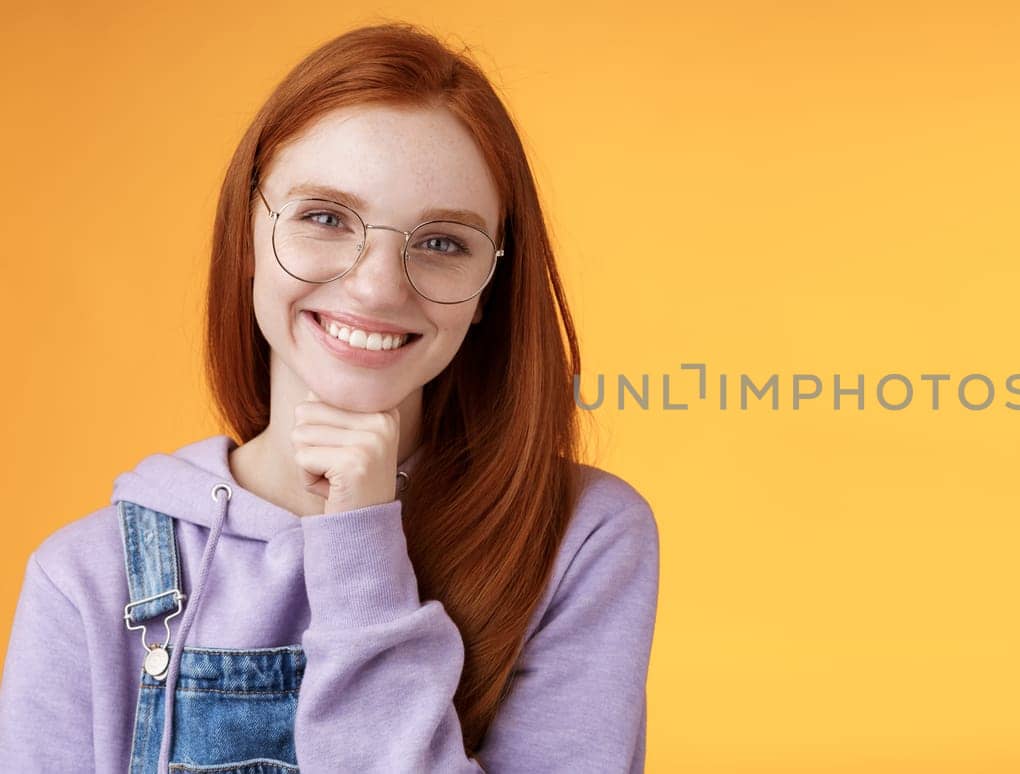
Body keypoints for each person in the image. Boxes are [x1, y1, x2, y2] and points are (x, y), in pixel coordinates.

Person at [0, 22, 660, 773]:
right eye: (324, 218)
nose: (378, 285)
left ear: (488, 290)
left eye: (443, 241)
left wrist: (362, 554)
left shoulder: (578, 540)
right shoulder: (86, 581)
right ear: (246, 234)